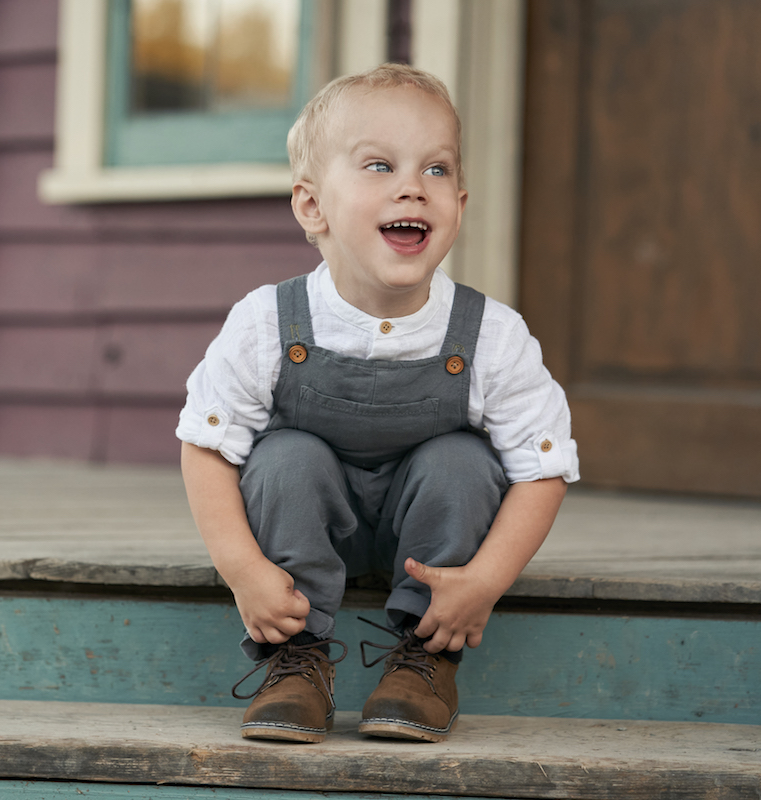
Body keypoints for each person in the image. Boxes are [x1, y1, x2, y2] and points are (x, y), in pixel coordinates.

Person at [177, 63, 578, 744]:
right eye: (379, 166)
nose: (411, 188)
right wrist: (244, 571)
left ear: (461, 203)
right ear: (312, 207)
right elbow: (208, 446)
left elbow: (543, 465)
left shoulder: (491, 336)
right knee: (283, 458)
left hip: (429, 541)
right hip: (305, 527)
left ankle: (427, 658)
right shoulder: (268, 322)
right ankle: (296, 660)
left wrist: (483, 581)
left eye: (436, 170)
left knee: (462, 461)